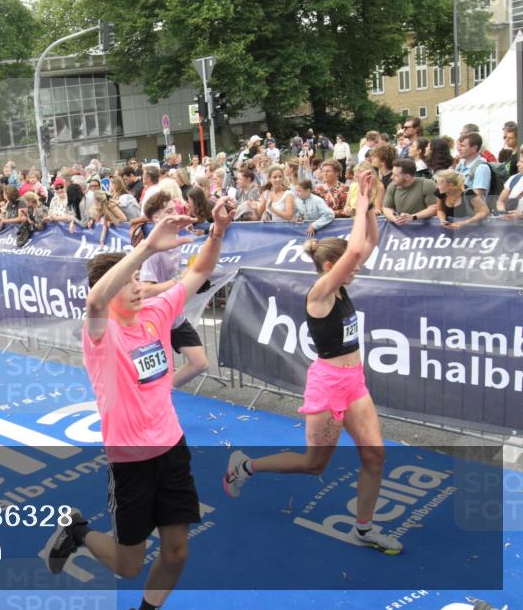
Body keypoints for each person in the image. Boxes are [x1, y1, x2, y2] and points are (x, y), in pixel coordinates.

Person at [44, 195, 234, 610]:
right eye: (126, 281)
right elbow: (96, 301)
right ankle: (78, 532)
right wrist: (147, 246)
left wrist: (218, 232)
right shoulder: (100, 333)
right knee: (129, 565)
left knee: (177, 551)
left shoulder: (157, 312)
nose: (136, 287)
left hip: (171, 448)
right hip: (131, 461)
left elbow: (200, 270)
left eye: (137, 280)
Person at [224, 170, 404, 556]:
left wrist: (370, 204)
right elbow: (355, 251)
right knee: (313, 465)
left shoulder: (339, 285)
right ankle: (247, 466)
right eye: (348, 267)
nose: (356, 269)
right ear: (329, 268)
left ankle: (364, 528)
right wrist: (356, 204)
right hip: (327, 386)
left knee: (375, 454)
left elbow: (367, 242)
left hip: (354, 382)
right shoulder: (320, 293)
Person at [138, 192, 210, 388]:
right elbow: (144, 291)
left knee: (200, 363)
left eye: (175, 209)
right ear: (156, 218)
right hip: (154, 319)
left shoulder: (177, 240)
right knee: (150, 373)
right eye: (168, 211)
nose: (176, 214)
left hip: (174, 315)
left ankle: (164, 389)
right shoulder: (153, 251)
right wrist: (180, 282)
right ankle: (151, 396)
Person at [382, 159, 438, 225]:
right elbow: (386, 208)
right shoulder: (393, 186)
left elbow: (434, 208)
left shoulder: (426, 184)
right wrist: (395, 219)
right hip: (401, 230)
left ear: (407, 177)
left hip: (424, 229)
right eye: (392, 174)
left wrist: (413, 217)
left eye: (395, 175)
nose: (391, 177)